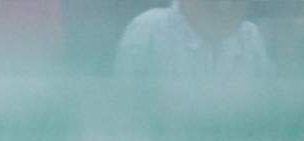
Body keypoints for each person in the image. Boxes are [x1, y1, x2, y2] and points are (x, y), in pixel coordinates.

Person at [115, 0, 270, 81]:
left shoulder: (250, 36)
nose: (224, 3)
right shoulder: (149, 30)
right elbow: (129, 113)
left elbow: (264, 107)